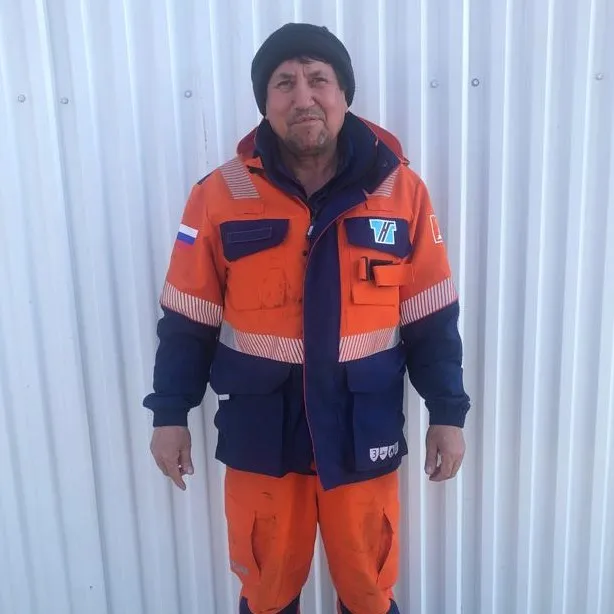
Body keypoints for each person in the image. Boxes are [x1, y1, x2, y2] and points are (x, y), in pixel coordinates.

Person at [144, 22, 470, 614]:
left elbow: (432, 318)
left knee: (368, 591)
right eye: (284, 83)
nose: (303, 97)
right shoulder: (219, 195)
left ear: (343, 94)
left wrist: (448, 413)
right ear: (265, 103)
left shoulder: (401, 191)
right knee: (267, 591)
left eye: (319, 80)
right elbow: (187, 321)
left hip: (362, 430)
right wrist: (170, 414)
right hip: (263, 434)